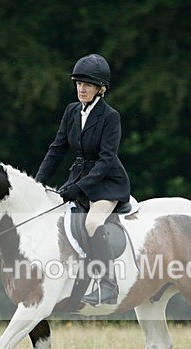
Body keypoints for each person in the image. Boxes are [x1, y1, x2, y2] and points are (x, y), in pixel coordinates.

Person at [35, 53, 130, 306]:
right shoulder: (71, 111)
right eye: (78, 83)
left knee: (92, 223)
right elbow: (57, 149)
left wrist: (78, 188)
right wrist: (37, 183)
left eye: (87, 84)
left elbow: (106, 160)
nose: (81, 89)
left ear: (100, 88)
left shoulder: (110, 116)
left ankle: (108, 285)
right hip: (78, 178)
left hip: (107, 183)